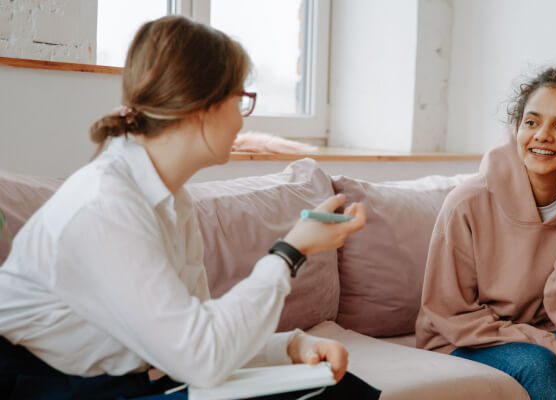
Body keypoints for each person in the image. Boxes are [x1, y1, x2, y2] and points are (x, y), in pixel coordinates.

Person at [0, 16, 380, 400]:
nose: (242, 119)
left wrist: (289, 348)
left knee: (332, 385)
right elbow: (202, 356)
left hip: (130, 380)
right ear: (202, 106)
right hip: (49, 389)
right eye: (240, 99)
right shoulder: (105, 205)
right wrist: (289, 252)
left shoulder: (172, 200)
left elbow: (199, 334)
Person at [416, 64, 556, 399]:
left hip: (550, 330)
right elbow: (449, 312)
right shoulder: (467, 202)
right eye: (531, 122)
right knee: (536, 363)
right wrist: (542, 340)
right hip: (463, 340)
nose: (542, 135)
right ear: (517, 127)